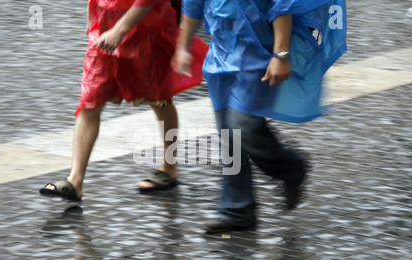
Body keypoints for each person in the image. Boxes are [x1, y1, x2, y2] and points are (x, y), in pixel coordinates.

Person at [172, 0, 347, 233]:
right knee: (228, 134)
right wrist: (183, 48)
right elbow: (193, 6)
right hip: (221, 54)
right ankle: (237, 209)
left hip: (260, 54)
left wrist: (281, 55)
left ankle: (291, 168)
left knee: (242, 124)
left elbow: (281, 6)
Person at [40, 0, 208, 201]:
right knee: (90, 100)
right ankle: (75, 180)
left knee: (159, 101)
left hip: (146, 32)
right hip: (104, 29)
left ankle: (169, 167)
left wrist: (118, 31)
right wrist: (91, 17)